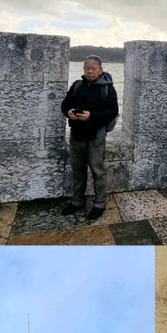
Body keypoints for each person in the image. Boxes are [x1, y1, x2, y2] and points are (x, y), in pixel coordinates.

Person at [60, 55, 119, 221]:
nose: (90, 71)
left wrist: (91, 116)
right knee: (78, 171)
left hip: (96, 137)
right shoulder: (77, 85)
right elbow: (65, 103)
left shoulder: (108, 88)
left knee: (97, 172)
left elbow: (112, 111)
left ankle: (99, 204)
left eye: (93, 68)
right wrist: (68, 112)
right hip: (77, 135)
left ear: (101, 70)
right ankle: (77, 201)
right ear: (84, 69)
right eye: (87, 68)